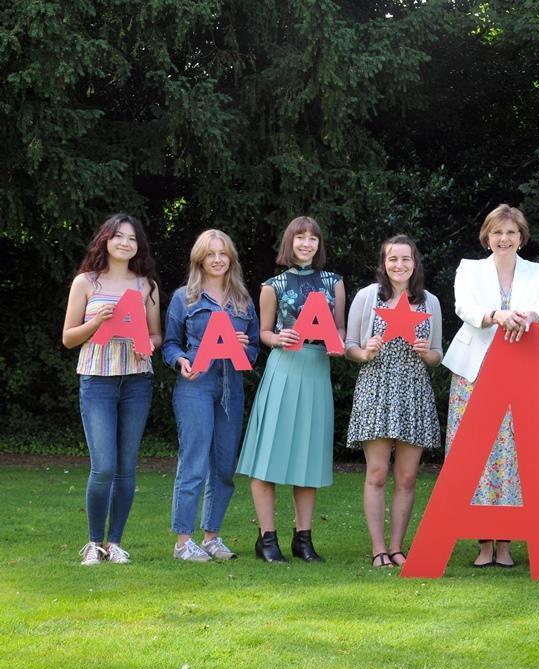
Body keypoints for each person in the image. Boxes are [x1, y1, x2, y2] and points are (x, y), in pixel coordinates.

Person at [441, 204, 539, 568]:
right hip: (474, 372)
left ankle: (505, 544)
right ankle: (483, 544)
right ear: (486, 237)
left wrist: (528, 316)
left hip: (523, 370)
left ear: (521, 237)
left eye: (510, 232)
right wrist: (496, 315)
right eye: (497, 232)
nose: (504, 239)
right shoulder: (469, 269)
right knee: (475, 454)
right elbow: (464, 307)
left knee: (514, 457)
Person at [236, 216, 346, 563]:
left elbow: (340, 330)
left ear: (319, 244)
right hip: (284, 368)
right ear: (290, 242)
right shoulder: (273, 285)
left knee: (308, 457)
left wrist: (338, 344)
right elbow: (263, 333)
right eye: (300, 237)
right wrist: (276, 338)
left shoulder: (334, 282)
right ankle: (267, 539)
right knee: (268, 455)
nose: (307, 243)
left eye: (313, 238)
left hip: (316, 369)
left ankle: (303, 538)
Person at [62, 214, 162, 565]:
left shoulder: (146, 285)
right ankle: (93, 542)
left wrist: (147, 345)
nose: (125, 243)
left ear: (138, 246)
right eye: (118, 236)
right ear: (105, 240)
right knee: (103, 466)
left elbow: (156, 336)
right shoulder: (86, 283)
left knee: (126, 467)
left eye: (132, 239)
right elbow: (68, 338)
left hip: (136, 380)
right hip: (97, 381)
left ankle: (115, 542)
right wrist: (96, 322)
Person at [346, 235, 443, 568]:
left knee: (406, 478)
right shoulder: (366, 296)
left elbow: (438, 354)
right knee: (375, 473)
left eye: (406, 259)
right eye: (392, 259)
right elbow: (349, 346)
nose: (399, 265)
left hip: (414, 392)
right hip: (375, 389)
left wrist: (426, 353)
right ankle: (377, 550)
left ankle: (398, 547)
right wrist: (365, 351)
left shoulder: (429, 301)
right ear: (383, 263)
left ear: (414, 262)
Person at [163, 230, 260, 562]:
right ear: (199, 259)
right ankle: (183, 542)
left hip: (231, 388)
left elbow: (254, 348)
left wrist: (247, 348)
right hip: (195, 386)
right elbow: (170, 344)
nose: (217, 259)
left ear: (230, 258)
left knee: (223, 467)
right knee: (193, 465)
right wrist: (180, 360)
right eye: (210, 254)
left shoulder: (243, 300)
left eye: (223, 253)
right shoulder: (183, 298)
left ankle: (211, 537)